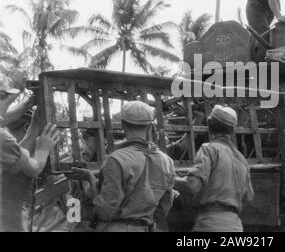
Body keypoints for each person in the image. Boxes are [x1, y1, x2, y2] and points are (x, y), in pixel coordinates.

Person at [70, 101, 176, 232]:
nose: (86, 142)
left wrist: (90, 181)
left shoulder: (115, 159)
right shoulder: (167, 161)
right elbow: (164, 206)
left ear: (123, 125)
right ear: (149, 127)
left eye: (88, 138)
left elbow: (105, 210)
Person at [175, 105, 254, 232]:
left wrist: (171, 178)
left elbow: (192, 186)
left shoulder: (209, 149)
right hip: (235, 226)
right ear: (232, 131)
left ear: (209, 127)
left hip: (210, 224)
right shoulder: (241, 159)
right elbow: (249, 197)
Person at [0, 80, 60, 232]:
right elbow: (32, 167)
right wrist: (44, 148)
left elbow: (73, 204)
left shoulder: (9, 150)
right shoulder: (5, 142)